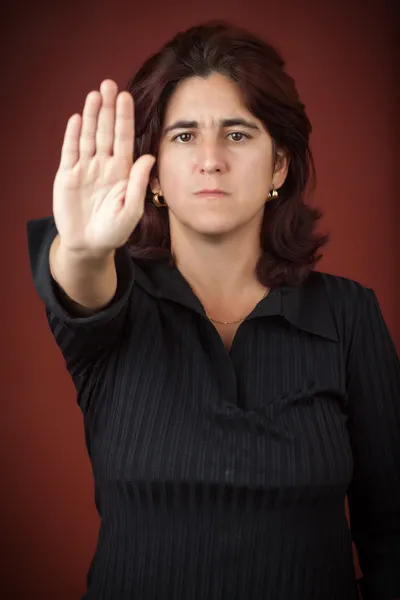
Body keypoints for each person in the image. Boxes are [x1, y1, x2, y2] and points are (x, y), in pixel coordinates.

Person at [26, 19, 400, 600]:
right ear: (151, 174)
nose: (209, 160)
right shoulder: (115, 302)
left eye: (238, 134)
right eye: (182, 136)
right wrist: (81, 246)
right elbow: (80, 288)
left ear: (279, 166)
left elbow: (393, 539)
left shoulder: (348, 316)